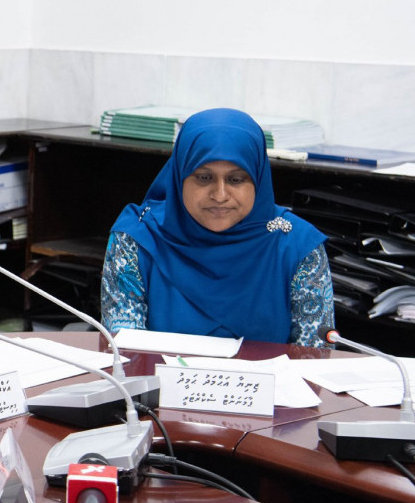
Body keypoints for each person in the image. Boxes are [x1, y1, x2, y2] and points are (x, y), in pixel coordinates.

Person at [101, 107, 334, 347]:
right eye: (204, 178)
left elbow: (314, 358)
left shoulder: (298, 246)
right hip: (159, 384)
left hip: (273, 385)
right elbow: (126, 354)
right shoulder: (137, 239)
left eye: (235, 179)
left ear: (257, 179)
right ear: (180, 176)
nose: (220, 195)